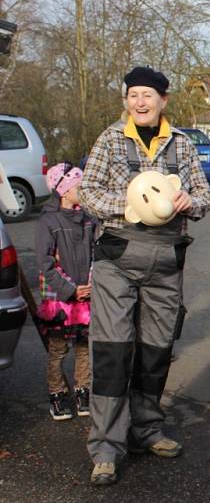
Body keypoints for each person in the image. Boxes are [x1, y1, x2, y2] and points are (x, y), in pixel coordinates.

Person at [80, 66, 210, 486]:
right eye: (133, 95)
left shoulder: (183, 145)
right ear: (126, 101)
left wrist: (188, 200)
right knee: (113, 354)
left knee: (156, 353)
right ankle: (105, 447)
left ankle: (147, 430)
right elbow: (87, 191)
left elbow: (205, 197)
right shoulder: (110, 139)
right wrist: (137, 203)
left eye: (148, 95)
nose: (140, 102)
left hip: (165, 261)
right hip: (118, 257)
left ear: (163, 100)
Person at [36, 162, 94, 421]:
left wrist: (91, 284)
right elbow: (45, 263)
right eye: (79, 185)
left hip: (86, 295)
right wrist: (71, 289)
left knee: (85, 347)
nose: (83, 189)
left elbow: (96, 253)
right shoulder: (48, 222)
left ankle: (84, 391)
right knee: (58, 350)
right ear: (65, 189)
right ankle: (57, 395)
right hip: (61, 298)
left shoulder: (89, 220)